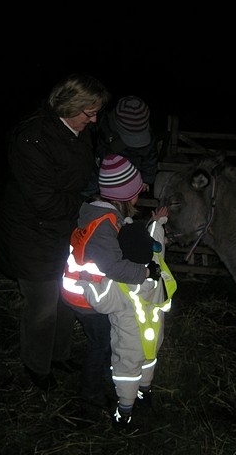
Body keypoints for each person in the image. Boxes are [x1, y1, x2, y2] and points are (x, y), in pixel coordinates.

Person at [0, 73, 111, 392]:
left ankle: (58, 355)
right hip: (31, 234)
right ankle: (36, 365)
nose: (95, 119)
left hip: (64, 231)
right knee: (43, 305)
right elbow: (43, 200)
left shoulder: (77, 131)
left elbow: (80, 176)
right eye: (90, 112)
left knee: (65, 297)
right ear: (70, 106)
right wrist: (86, 209)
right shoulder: (32, 139)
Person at [61, 154, 174, 429]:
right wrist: (146, 272)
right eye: (135, 194)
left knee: (108, 344)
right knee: (100, 345)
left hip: (87, 290)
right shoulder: (106, 229)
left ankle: (109, 388)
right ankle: (90, 398)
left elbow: (138, 243)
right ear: (123, 196)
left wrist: (155, 224)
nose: (139, 197)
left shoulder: (102, 214)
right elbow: (117, 266)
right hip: (83, 295)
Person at [75, 209, 176, 431]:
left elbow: (100, 301)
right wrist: (158, 221)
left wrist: (85, 283)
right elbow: (156, 240)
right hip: (154, 335)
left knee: (126, 374)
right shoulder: (157, 262)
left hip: (128, 343)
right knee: (149, 361)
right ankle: (145, 392)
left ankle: (124, 413)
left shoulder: (118, 283)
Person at [83, 95, 159, 198]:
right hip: (101, 169)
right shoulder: (104, 121)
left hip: (128, 176)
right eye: (131, 136)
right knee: (86, 190)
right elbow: (86, 129)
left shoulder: (149, 139)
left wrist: (146, 179)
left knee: (125, 200)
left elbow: (151, 158)